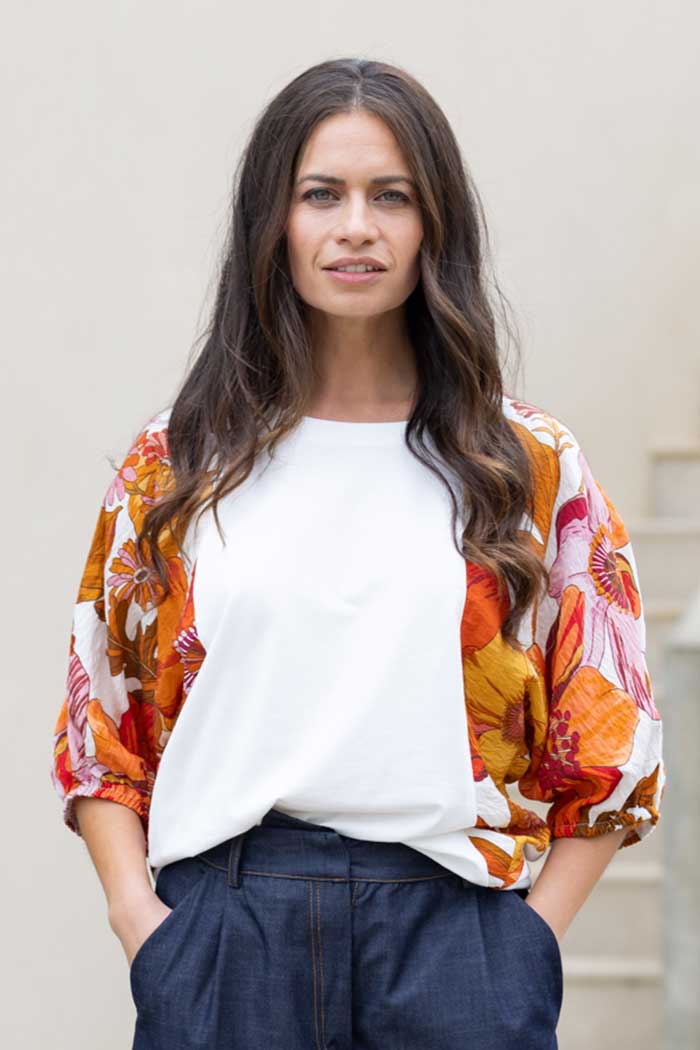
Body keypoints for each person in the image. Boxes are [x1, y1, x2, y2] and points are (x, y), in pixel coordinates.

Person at [49, 57, 665, 1050]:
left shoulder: (525, 464)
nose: (356, 227)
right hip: (227, 933)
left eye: (392, 196)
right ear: (272, 222)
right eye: (320, 194)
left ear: (434, 225)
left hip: (455, 935)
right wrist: (143, 927)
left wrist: (524, 948)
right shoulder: (180, 462)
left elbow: (614, 737)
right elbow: (101, 726)